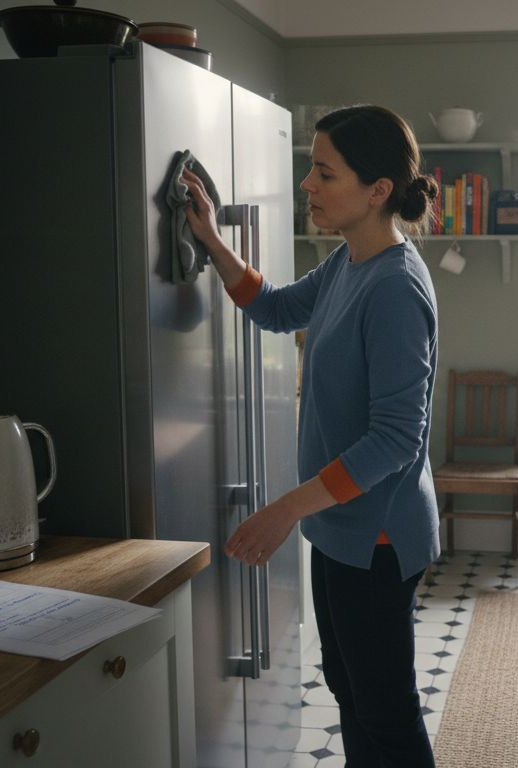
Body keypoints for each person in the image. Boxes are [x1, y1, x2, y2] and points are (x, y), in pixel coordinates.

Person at [183, 104, 441, 768]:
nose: (308, 184)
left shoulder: (394, 289)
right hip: (337, 526)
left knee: (384, 709)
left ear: (378, 191)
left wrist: (284, 509)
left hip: (377, 534)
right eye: (310, 169)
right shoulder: (347, 264)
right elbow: (273, 307)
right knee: (349, 690)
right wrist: (213, 240)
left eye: (324, 172)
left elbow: (395, 440)